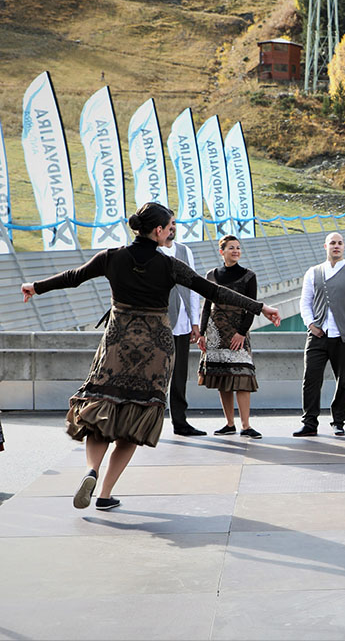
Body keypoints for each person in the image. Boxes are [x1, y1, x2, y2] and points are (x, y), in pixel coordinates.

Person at [20, 202, 280, 511]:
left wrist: (35, 287)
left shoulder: (111, 257)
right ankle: (104, 494)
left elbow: (73, 277)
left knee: (101, 412)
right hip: (156, 349)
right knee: (134, 421)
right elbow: (213, 291)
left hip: (117, 344)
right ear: (157, 230)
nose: (173, 230)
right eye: (170, 225)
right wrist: (260, 307)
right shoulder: (169, 264)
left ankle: (91, 469)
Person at [295, 231, 345, 437]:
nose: (336, 246)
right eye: (332, 243)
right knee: (310, 378)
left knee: (344, 379)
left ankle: (339, 421)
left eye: (339, 243)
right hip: (318, 335)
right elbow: (305, 302)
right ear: (325, 246)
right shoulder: (313, 272)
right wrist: (310, 324)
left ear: (343, 247)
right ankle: (309, 422)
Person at [196, 235, 261, 439]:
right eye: (231, 248)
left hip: (237, 332)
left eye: (238, 248)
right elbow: (206, 306)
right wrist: (203, 333)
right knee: (223, 378)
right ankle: (229, 423)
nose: (236, 251)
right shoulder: (211, 275)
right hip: (215, 333)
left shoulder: (249, 276)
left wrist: (242, 332)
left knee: (242, 376)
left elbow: (251, 307)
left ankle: (246, 425)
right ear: (221, 251)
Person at [159, 220, 205, 436]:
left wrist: (195, 322)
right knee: (156, 376)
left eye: (174, 224)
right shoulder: (151, 252)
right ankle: (149, 423)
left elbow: (193, 286)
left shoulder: (185, 251)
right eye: (169, 224)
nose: (173, 228)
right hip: (158, 325)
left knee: (179, 376)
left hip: (183, 324)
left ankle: (180, 421)